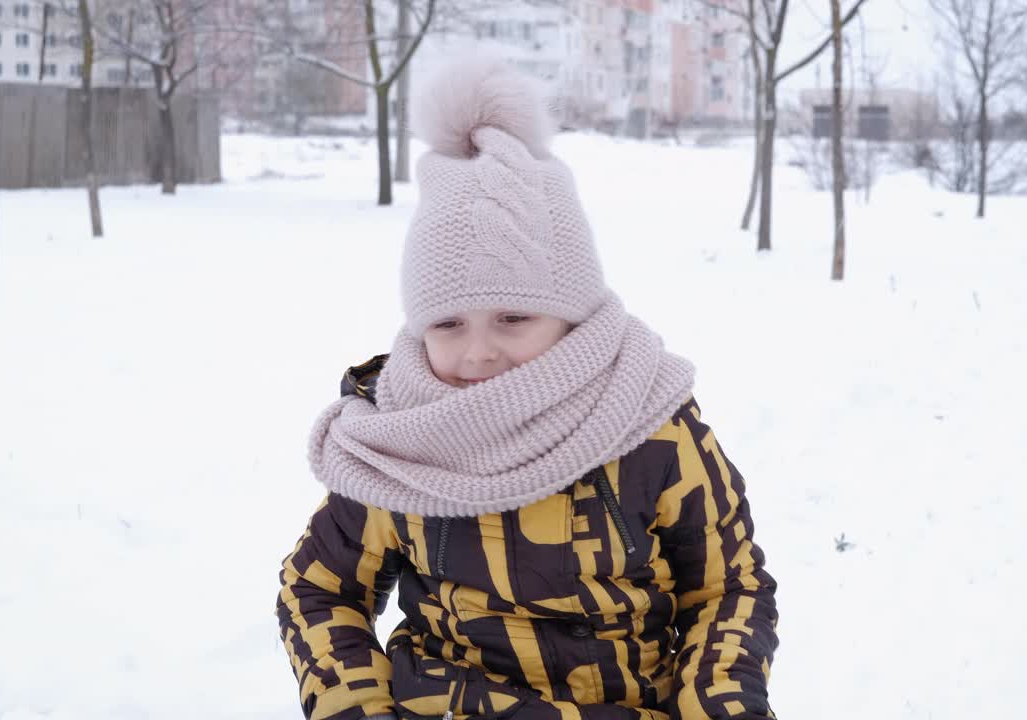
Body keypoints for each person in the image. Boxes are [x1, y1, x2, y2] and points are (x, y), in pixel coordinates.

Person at [277, 57, 779, 720]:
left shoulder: (650, 425)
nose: (479, 353)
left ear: (572, 315)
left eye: (514, 318)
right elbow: (318, 588)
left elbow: (726, 589)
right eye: (448, 323)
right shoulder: (399, 441)